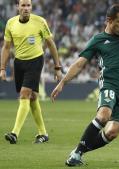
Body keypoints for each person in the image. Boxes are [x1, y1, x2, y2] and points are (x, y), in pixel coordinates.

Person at [50, 5, 119, 167]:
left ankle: (78, 150)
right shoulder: (98, 40)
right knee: (103, 115)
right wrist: (62, 82)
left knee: (111, 132)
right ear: (109, 20)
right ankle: (77, 153)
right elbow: (80, 63)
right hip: (110, 84)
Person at [0, 0, 62, 144]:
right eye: (23, 5)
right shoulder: (11, 23)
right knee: (33, 97)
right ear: (17, 7)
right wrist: (2, 68)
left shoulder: (40, 22)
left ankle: (14, 133)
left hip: (35, 61)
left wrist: (57, 67)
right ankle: (43, 133)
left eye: (28, 5)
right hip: (19, 62)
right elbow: (7, 47)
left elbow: (51, 43)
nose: (26, 8)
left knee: (24, 94)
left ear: (31, 7)